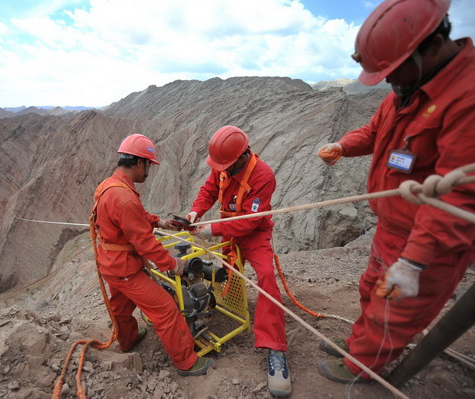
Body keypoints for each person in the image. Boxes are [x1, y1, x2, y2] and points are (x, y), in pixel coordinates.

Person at [316, 0, 475, 383]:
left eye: (391, 70)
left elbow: (459, 197)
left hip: (429, 241)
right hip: (392, 229)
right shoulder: (409, 86)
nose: (388, 80)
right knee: (371, 291)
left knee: (394, 309)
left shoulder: (466, 99)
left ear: (431, 45)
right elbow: (375, 131)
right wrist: (343, 146)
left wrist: (415, 262)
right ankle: (358, 344)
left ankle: (362, 367)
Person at [91, 133, 214, 376]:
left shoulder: (110, 185)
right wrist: (174, 265)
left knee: (120, 306)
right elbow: (146, 245)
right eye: (148, 164)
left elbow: (133, 219)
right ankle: (187, 362)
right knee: (166, 310)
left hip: (111, 265)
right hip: (125, 269)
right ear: (138, 163)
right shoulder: (124, 198)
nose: (148, 170)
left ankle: (128, 340)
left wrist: (161, 222)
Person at [186, 126, 291, 397]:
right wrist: (196, 211)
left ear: (243, 156)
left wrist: (213, 230)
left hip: (254, 234)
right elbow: (209, 190)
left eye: (228, 167)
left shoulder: (263, 176)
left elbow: (249, 222)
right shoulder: (225, 164)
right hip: (228, 230)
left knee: (266, 276)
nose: (224, 171)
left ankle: (275, 349)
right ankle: (229, 308)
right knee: (227, 273)